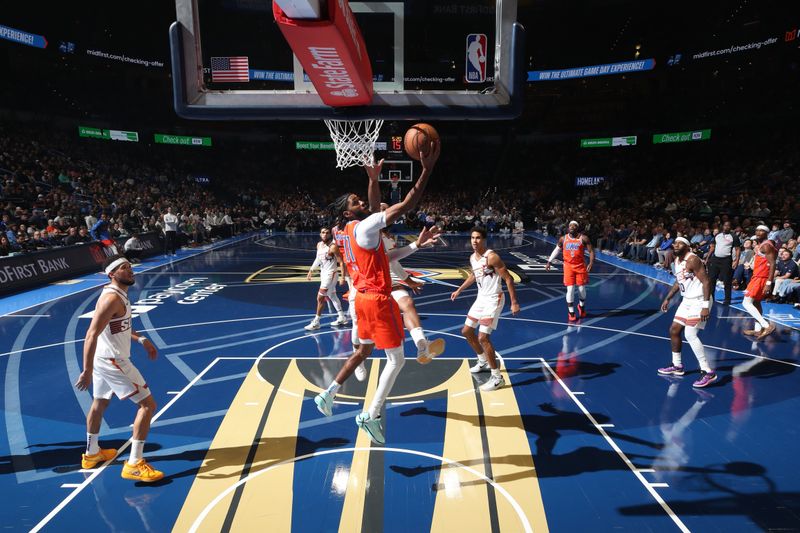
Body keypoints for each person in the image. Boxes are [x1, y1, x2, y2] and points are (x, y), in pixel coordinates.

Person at [314, 141, 440, 445]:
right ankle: (371, 414)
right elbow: (406, 205)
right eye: (357, 201)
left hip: (361, 299)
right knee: (396, 360)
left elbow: (386, 257)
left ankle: (328, 394)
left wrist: (373, 181)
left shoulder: (345, 234)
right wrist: (426, 170)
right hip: (377, 299)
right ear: (349, 211)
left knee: (364, 351)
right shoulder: (366, 227)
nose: (365, 204)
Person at [74, 255, 163, 482]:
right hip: (113, 360)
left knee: (100, 402)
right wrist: (86, 370)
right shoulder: (111, 299)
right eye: (124, 268)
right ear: (112, 274)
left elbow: (117, 328)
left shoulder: (119, 295)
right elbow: (91, 334)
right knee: (148, 405)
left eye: (130, 267)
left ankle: (92, 454)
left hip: (106, 358)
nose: (130, 270)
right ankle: (134, 463)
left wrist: (141, 339)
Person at [450, 227, 520, 391]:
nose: (474, 241)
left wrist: (514, 302)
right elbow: (474, 275)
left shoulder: (492, 257)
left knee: (483, 337)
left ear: (484, 240)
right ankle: (482, 360)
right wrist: (459, 290)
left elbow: (509, 279)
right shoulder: (473, 257)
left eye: (478, 238)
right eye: (472, 237)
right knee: (466, 331)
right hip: (481, 298)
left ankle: (497, 378)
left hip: (494, 299)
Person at [657, 237, 717, 388]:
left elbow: (706, 281)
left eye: (679, 243)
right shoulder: (677, 261)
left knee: (690, 334)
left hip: (699, 300)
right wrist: (668, 298)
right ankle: (677, 366)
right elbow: (679, 282)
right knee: (674, 330)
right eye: (675, 243)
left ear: (687, 246)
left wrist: (705, 306)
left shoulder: (693, 260)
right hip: (687, 300)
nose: (675, 245)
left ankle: (708, 371)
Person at [546, 220, 595, 322]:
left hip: (580, 266)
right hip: (568, 266)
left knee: (581, 289)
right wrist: (549, 261)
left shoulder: (584, 238)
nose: (572, 227)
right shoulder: (563, 239)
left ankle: (581, 306)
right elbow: (556, 250)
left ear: (577, 228)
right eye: (570, 225)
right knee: (571, 289)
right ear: (568, 228)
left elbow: (591, 251)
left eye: (574, 225)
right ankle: (571, 312)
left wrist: (591, 262)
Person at [304, 227, 349, 330]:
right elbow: (318, 259)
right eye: (323, 232)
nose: (325, 234)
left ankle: (316, 322)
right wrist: (311, 270)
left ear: (330, 234)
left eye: (327, 233)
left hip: (331, 274)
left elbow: (341, 262)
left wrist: (343, 277)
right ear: (320, 234)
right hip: (323, 274)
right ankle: (342, 317)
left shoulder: (333, 247)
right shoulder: (319, 245)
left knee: (320, 297)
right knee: (332, 295)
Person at [741, 225, 777, 339]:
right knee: (756, 302)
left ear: (767, 233)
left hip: (761, 278)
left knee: (746, 303)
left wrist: (768, 283)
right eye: (757, 230)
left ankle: (766, 325)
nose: (758, 232)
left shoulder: (766, 246)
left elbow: (773, 265)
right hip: (757, 276)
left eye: (761, 230)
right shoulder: (762, 245)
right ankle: (757, 330)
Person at [705, 221, 740, 305]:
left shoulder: (734, 236)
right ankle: (711, 297)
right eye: (725, 225)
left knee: (727, 281)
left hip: (726, 260)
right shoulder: (717, 235)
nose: (726, 227)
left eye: (728, 226)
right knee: (711, 279)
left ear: (730, 227)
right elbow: (712, 247)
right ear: (723, 226)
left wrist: (736, 261)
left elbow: (737, 249)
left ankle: (727, 299)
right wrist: (707, 257)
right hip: (715, 259)